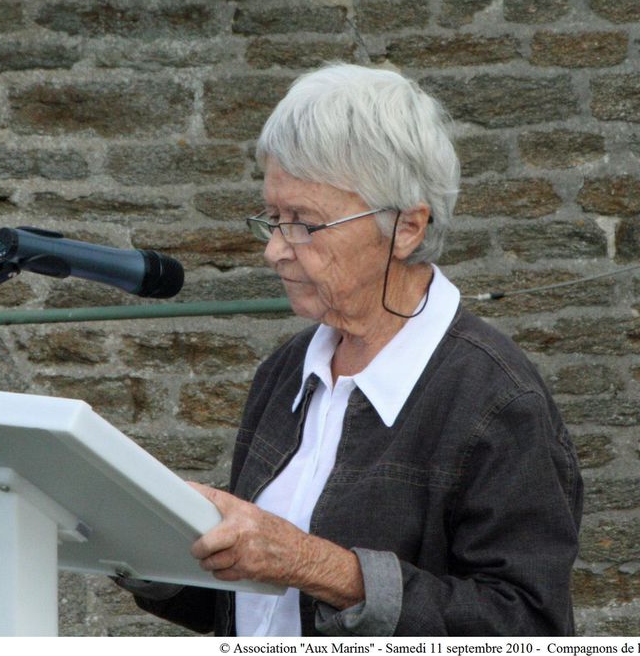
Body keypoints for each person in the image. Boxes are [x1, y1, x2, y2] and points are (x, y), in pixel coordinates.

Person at [121, 64, 583, 636]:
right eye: (272, 218)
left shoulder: (495, 398)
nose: (275, 250)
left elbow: (527, 627)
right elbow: (252, 612)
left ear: (407, 228)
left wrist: (319, 567)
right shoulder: (287, 371)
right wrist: (141, 535)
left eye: (304, 224)